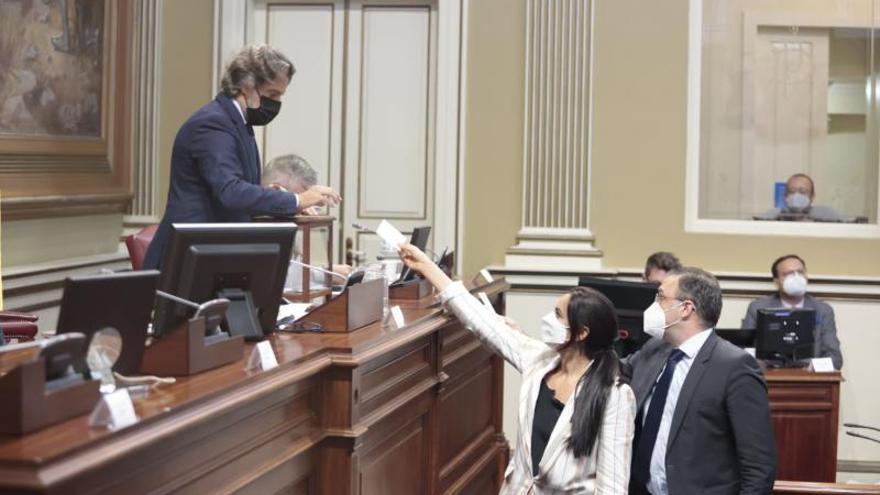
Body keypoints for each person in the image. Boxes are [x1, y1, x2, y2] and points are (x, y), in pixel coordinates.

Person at [399, 244, 636, 493]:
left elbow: (612, 488)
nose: (548, 319)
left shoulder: (615, 395)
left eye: (557, 315)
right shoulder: (540, 360)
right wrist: (426, 265)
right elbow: (482, 322)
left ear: (581, 333)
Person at [143, 45, 341, 270]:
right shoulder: (212, 124)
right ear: (247, 86)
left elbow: (241, 190)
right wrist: (297, 200)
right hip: (186, 260)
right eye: (272, 94)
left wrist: (282, 199)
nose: (276, 104)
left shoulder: (239, 124)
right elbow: (230, 191)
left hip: (212, 255)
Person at [624, 267, 776, 494]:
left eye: (661, 298)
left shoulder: (734, 366)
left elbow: (758, 466)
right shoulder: (654, 349)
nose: (653, 305)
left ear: (685, 308)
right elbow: (613, 371)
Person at [742, 254, 843, 369]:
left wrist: (814, 367)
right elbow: (743, 352)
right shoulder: (757, 308)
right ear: (776, 281)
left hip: (810, 380)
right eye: (788, 274)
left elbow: (835, 358)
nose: (796, 277)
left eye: (800, 272)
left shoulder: (823, 310)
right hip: (769, 379)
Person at [263, 153, 352, 278]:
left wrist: (328, 272)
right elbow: (278, 281)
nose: (305, 209)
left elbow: (294, 267)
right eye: (301, 199)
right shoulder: (257, 226)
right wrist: (325, 274)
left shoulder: (286, 222)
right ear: (276, 190)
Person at [759, 173, 840, 222]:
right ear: (785, 196)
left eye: (803, 192)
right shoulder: (774, 215)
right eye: (792, 191)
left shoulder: (825, 215)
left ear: (812, 196)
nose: (796, 196)